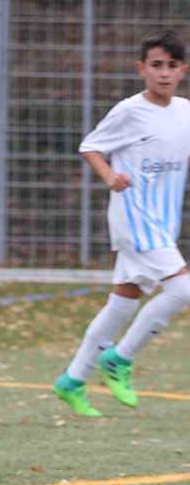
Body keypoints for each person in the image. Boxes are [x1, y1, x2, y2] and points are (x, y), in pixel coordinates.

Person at [54, 29, 190, 417]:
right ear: (141, 68)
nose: (164, 73)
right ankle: (120, 357)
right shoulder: (130, 110)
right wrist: (110, 175)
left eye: (172, 66)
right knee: (182, 290)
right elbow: (91, 146)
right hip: (134, 216)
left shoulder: (185, 111)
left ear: (183, 71)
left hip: (163, 221)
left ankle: (72, 379)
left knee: (123, 301)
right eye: (156, 65)